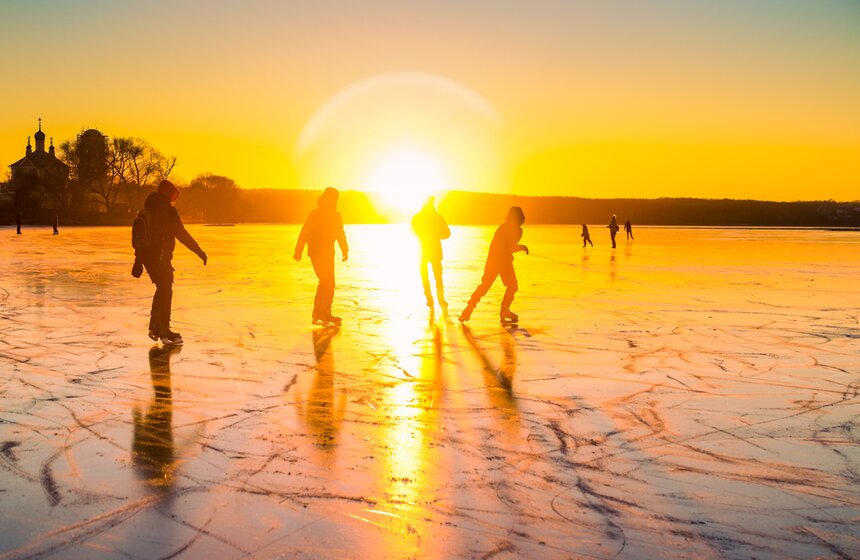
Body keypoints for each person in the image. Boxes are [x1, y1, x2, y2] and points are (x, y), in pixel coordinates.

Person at [132, 180, 207, 345]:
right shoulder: (168, 211)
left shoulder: (147, 209)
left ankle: (155, 327)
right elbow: (182, 234)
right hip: (160, 258)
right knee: (165, 290)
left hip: (148, 258)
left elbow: (141, 237)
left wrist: (138, 261)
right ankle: (163, 329)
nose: (174, 200)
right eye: (173, 196)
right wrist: (199, 251)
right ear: (168, 194)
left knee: (162, 289)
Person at [459, 206, 528, 324]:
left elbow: (498, 245)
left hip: (493, 260)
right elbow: (510, 247)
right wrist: (522, 247)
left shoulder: (502, 227)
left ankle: (469, 308)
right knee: (512, 285)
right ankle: (504, 310)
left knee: (485, 285)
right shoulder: (517, 230)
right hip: (503, 262)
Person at [294, 187, 349, 326]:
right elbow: (305, 231)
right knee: (326, 281)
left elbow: (340, 233)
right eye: (333, 198)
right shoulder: (316, 214)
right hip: (316, 251)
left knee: (328, 282)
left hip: (328, 252)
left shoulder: (336, 215)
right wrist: (298, 250)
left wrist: (345, 249)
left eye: (336, 199)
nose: (334, 201)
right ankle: (322, 312)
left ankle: (321, 312)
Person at [411, 197, 451, 309]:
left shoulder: (418, 217)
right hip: (431, 251)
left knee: (428, 276)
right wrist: (436, 234)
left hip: (424, 251)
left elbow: (412, 231)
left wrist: (426, 234)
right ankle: (438, 299)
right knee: (437, 276)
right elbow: (446, 233)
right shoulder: (437, 217)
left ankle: (431, 299)